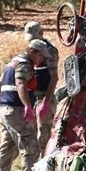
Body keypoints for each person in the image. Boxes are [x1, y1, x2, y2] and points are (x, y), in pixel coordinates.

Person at [0, 41, 46, 171]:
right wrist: (27, 105)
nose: (42, 59)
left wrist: (2, 103)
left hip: (6, 110)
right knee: (29, 142)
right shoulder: (25, 65)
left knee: (9, 144)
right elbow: (21, 83)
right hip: (17, 109)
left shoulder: (11, 64)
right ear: (32, 52)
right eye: (41, 55)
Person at [24, 21, 60, 154]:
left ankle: (43, 162)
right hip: (32, 96)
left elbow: (54, 77)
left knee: (44, 134)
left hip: (44, 95)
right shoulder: (31, 48)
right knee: (30, 133)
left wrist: (45, 102)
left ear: (41, 33)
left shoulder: (50, 51)